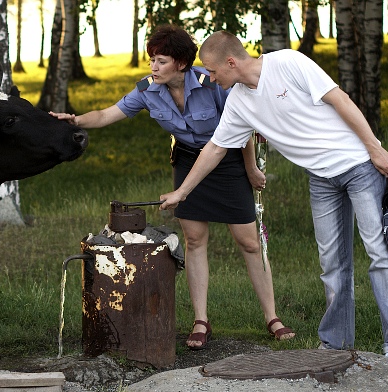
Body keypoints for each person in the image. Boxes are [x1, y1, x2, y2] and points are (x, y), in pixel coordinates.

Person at [160, 30, 388, 360]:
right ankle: (335, 345)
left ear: (231, 62)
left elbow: (340, 100)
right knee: (332, 264)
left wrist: (374, 148)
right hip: (321, 180)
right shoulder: (238, 101)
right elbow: (215, 149)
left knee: (379, 253)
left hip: (359, 166)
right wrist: (182, 191)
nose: (210, 77)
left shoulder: (288, 62)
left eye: (212, 70)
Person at [50, 24, 294, 350]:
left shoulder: (212, 83)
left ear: (180, 63)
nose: (153, 66)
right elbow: (107, 115)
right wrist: (76, 120)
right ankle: (201, 321)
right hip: (188, 161)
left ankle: (272, 317)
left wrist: (250, 168)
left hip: (227, 160)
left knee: (249, 242)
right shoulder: (147, 90)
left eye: (161, 61)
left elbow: (243, 125)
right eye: (152, 60)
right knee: (194, 239)